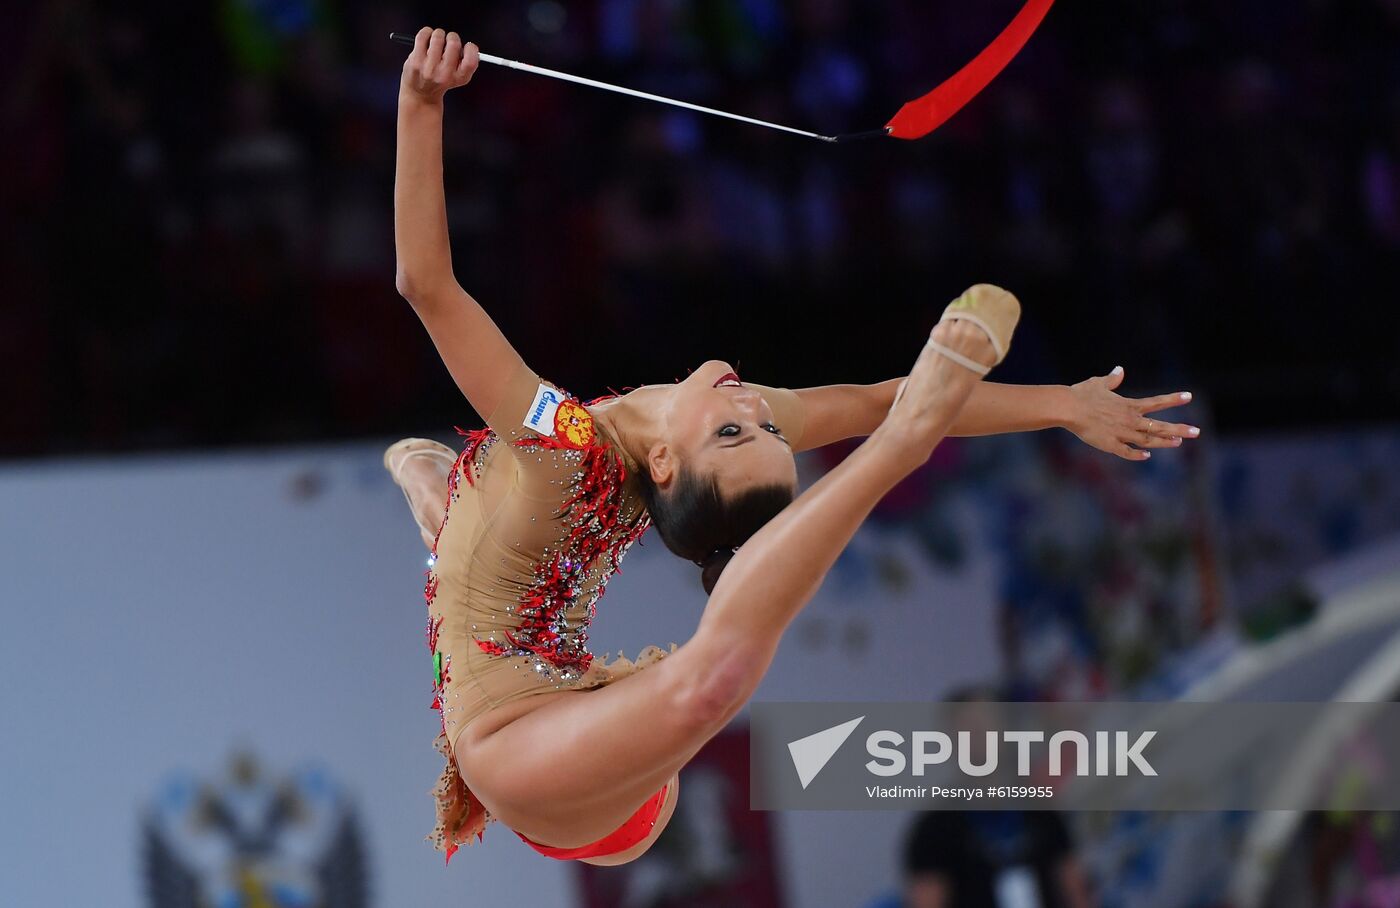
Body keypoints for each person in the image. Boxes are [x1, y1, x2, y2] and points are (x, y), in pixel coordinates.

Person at [385, 27, 1199, 866]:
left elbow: (426, 284)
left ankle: (897, 458)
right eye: (766, 432)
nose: (757, 410)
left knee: (710, 678)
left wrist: (419, 103)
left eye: (739, 432)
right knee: (438, 480)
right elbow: (884, 396)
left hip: (532, 750)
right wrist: (1061, 403)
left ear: (667, 465)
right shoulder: (721, 412)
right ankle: (433, 494)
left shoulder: (568, 443)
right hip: (603, 734)